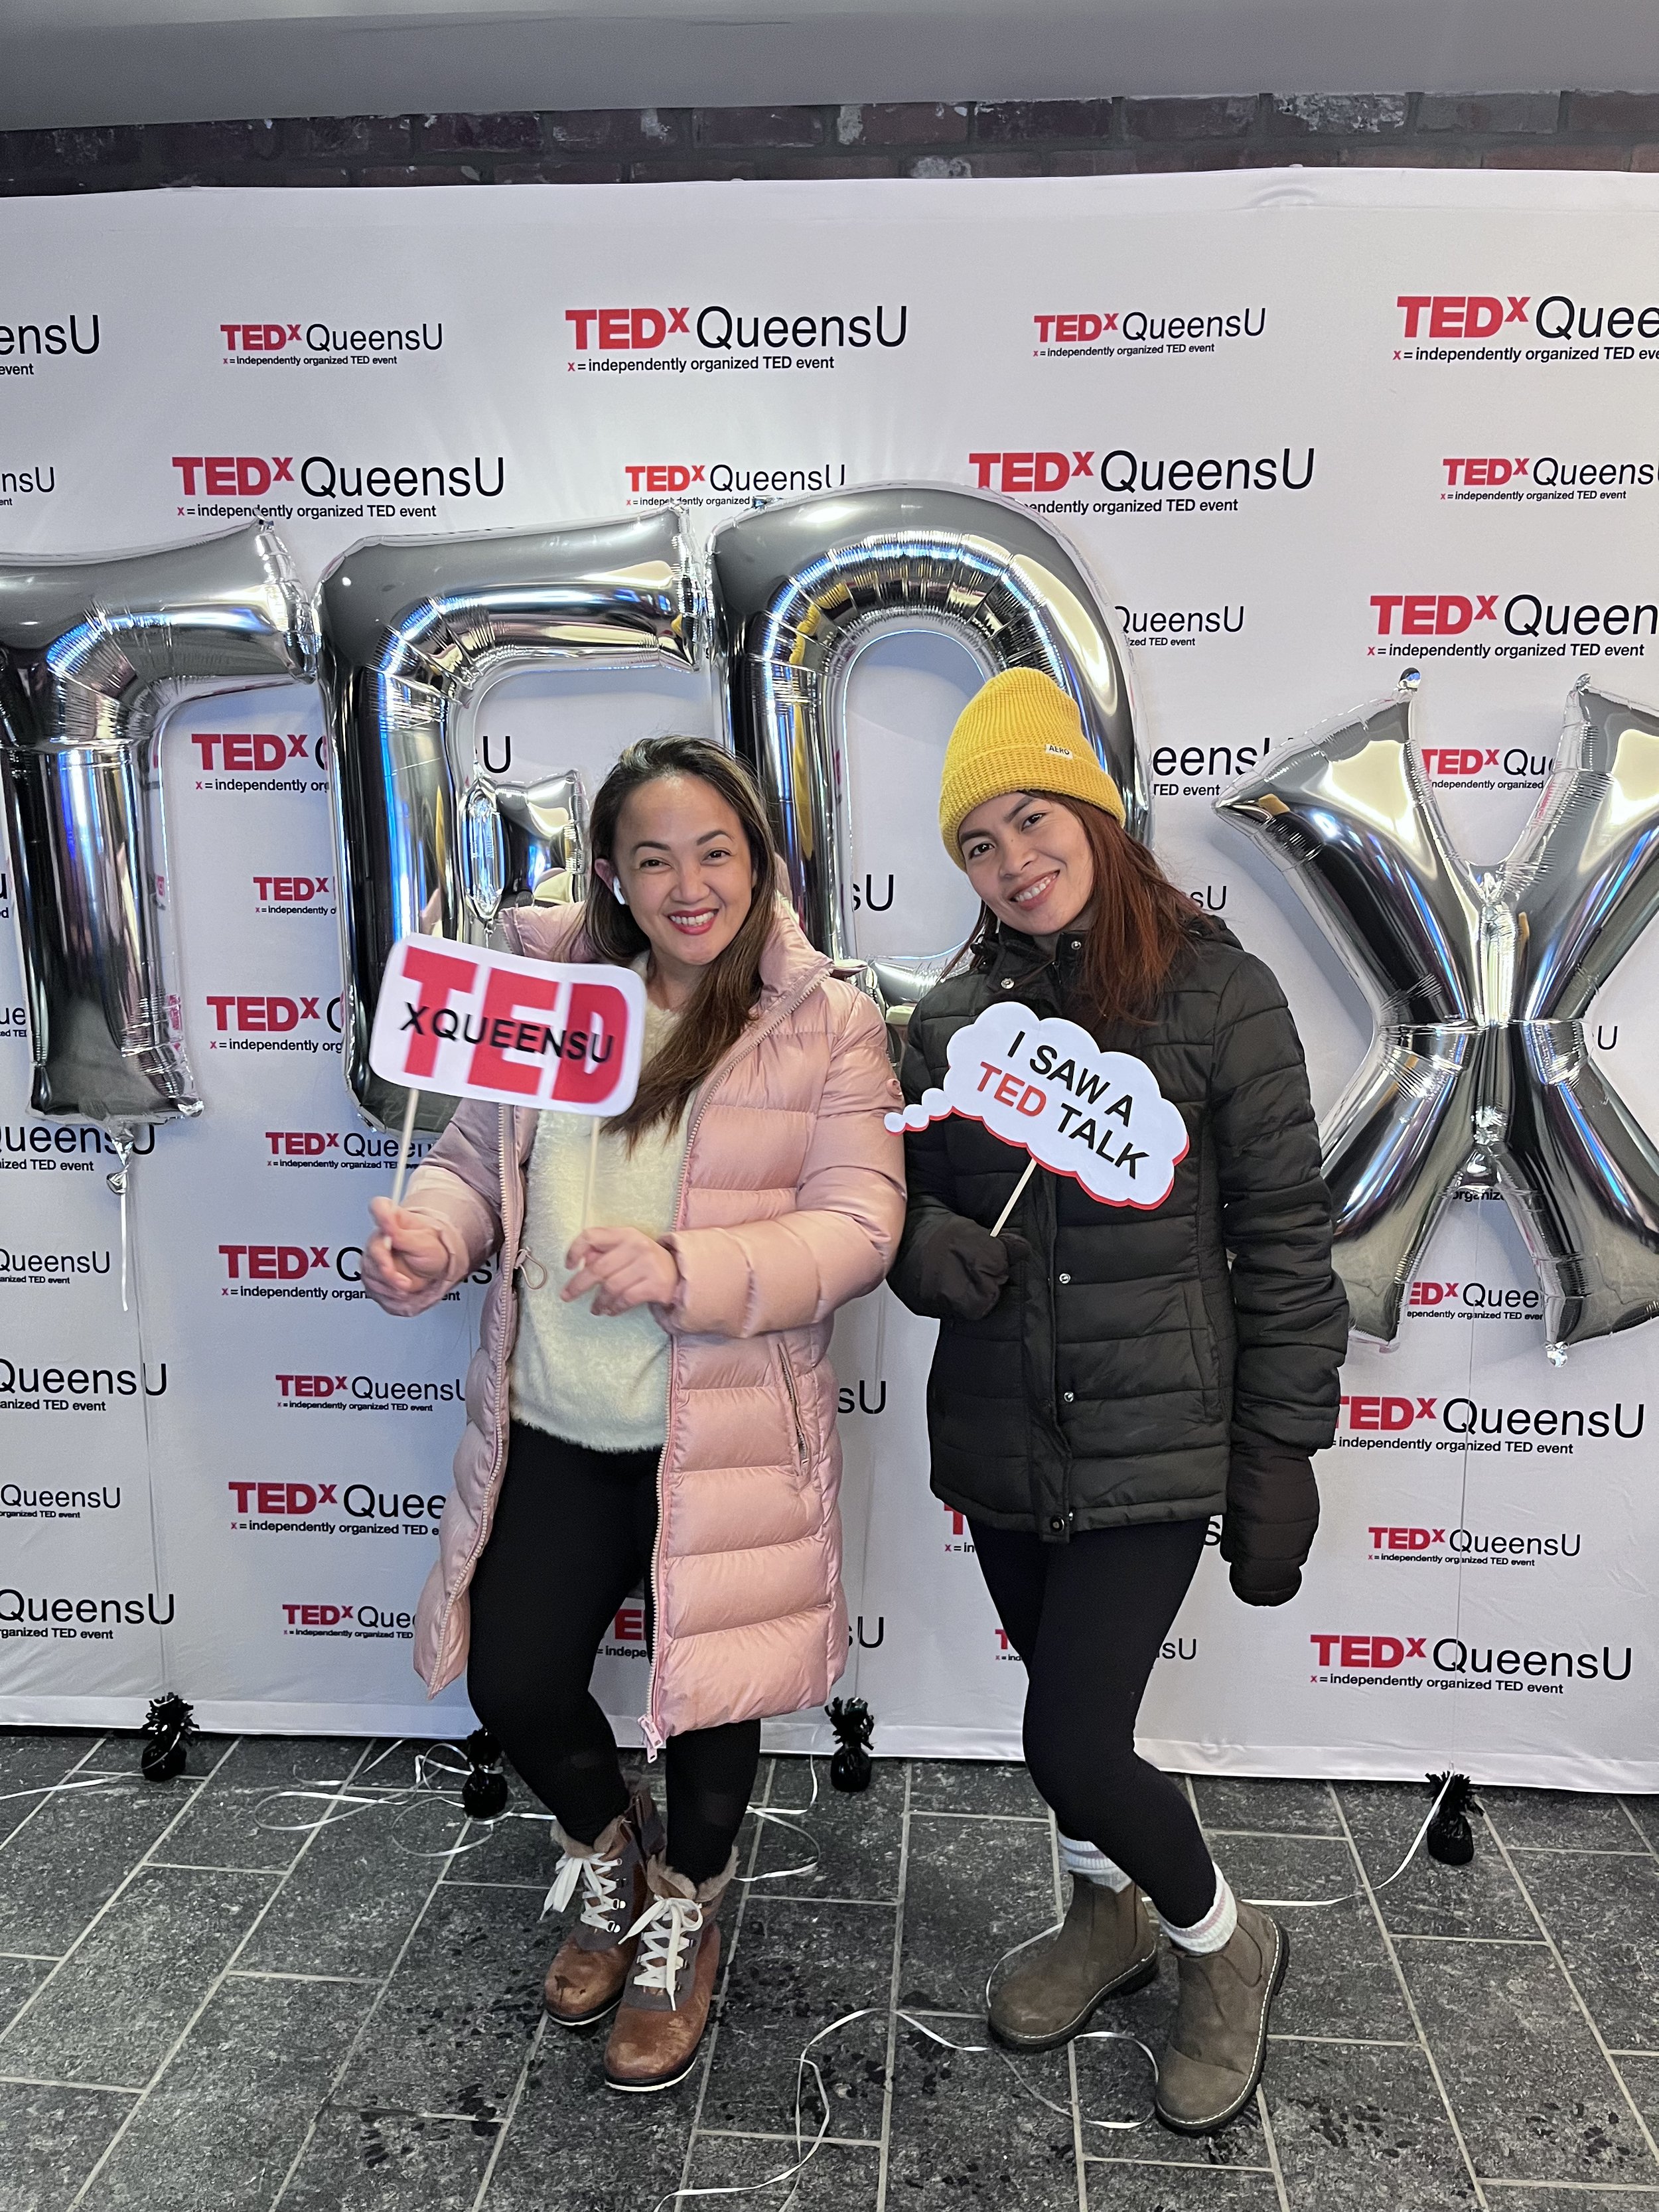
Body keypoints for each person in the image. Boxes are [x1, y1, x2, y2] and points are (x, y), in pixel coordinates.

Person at [361, 737, 904, 2093]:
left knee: (711, 1700)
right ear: (610, 869)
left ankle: (687, 1908)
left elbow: (857, 1221)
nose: (687, 883)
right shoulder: (547, 984)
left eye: (714, 850)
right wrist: (438, 1232)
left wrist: (688, 1270)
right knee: (516, 1678)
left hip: (716, 1424)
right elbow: (476, 1157)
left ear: (758, 858)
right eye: (653, 856)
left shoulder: (823, 1014)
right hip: (555, 1413)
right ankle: (610, 1855)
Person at [889, 668, 1347, 2136]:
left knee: (1070, 1740)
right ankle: (1107, 1916)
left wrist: (1277, 1447)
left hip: (1159, 1441)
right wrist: (914, 1247)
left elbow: (1282, 1239)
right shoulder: (956, 1015)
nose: (1012, 859)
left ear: (1092, 811)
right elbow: (886, 1197)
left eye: (1033, 818)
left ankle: (1224, 1942)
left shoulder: (1217, 991)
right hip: (1009, 1437)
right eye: (978, 840)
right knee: (1056, 1710)